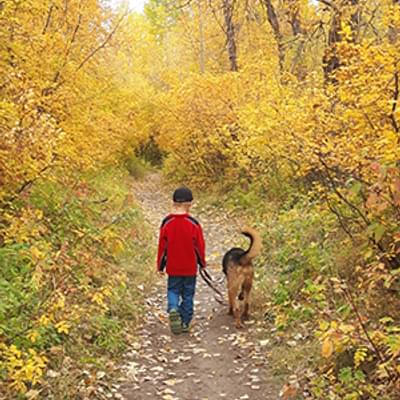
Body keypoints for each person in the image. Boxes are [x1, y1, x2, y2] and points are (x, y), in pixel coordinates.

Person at [157, 186, 206, 334]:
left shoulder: (167, 223)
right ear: (189, 204)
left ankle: (173, 308)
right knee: (188, 294)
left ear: (173, 203)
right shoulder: (193, 224)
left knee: (173, 289)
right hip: (190, 268)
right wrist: (202, 263)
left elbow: (162, 247)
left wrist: (160, 266)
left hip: (173, 267)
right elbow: (199, 247)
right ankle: (185, 322)